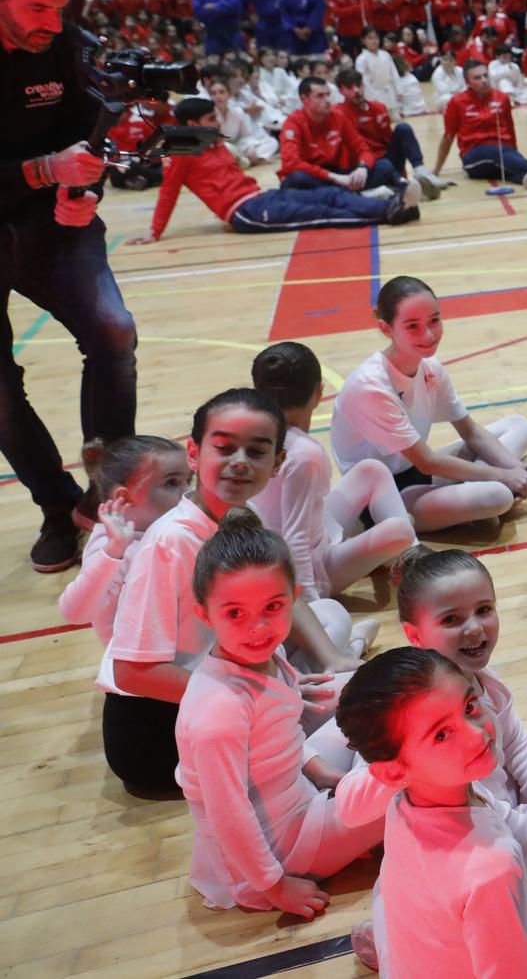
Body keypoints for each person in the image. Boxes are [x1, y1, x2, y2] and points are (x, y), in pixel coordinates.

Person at [0, 0, 138, 573]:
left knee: (113, 330)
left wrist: (85, 187)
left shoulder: (61, 47)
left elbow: (90, 134)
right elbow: (49, 162)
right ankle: (57, 509)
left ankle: (103, 495)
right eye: (37, 10)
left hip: (55, 222)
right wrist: (42, 172)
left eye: (60, 9)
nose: (53, 24)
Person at [174, 515, 384, 914]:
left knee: (377, 708)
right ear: (205, 614)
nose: (258, 627)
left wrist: (317, 766)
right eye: (235, 614)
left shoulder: (268, 655)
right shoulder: (218, 712)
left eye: (272, 606)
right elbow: (228, 815)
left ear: (294, 597)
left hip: (297, 799)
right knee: (411, 789)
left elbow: (279, 738)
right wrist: (276, 887)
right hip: (279, 852)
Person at [333, 647, 527, 977]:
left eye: (470, 707)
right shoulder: (492, 867)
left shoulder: (405, 802)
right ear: (392, 773)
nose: (476, 734)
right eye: (442, 734)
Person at [338, 547, 527, 841]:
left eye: (483, 610)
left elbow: (517, 742)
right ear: (414, 635)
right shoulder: (402, 705)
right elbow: (351, 808)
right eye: (452, 619)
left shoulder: (485, 680)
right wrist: (405, 761)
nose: (475, 627)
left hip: (515, 819)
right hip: (480, 845)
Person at [99, 389, 291, 797]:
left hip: (211, 698)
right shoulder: (171, 543)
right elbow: (130, 671)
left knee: (329, 631)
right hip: (157, 735)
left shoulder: (238, 519)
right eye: (224, 448)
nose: (239, 462)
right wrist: (259, 695)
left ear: (277, 463)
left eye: (256, 452)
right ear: (194, 453)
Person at [329, 276, 527, 534]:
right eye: (412, 326)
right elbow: (427, 461)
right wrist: (505, 476)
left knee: (518, 425)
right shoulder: (370, 385)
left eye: (434, 320)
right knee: (498, 496)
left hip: (419, 471)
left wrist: (517, 471)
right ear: (386, 329)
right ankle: (478, 497)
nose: (429, 334)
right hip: (384, 498)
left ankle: (473, 497)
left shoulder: (430, 367)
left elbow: (471, 432)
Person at [247, 340, 416, 663]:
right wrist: (311, 609)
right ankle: (415, 572)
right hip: (309, 568)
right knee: (401, 528)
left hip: (304, 539)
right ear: (319, 391)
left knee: (372, 471)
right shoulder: (305, 454)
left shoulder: (257, 430)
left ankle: (412, 562)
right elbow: (295, 538)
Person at [131, 99, 418, 242]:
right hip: (246, 213)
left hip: (260, 197)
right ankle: (388, 214)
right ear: (192, 124)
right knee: (319, 214)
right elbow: (168, 191)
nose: (217, 122)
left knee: (328, 194)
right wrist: (154, 232)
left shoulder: (214, 143)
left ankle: (394, 204)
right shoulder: (181, 153)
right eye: (210, 118)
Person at [58, 436, 190, 643]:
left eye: (188, 481)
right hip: (143, 665)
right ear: (124, 497)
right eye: (172, 483)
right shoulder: (111, 547)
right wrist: (113, 552)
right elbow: (74, 613)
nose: (188, 491)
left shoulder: (173, 526)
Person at [277, 76, 407, 197]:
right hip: (315, 176)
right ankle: (358, 195)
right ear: (304, 99)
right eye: (320, 96)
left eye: (328, 95)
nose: (327, 100)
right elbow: (292, 163)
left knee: (384, 165)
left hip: (339, 175)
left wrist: (363, 167)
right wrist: (332, 177)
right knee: (297, 178)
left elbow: (363, 149)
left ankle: (349, 196)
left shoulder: (338, 117)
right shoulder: (293, 123)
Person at [436, 60, 527, 187]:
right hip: (474, 156)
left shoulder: (502, 98)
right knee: (493, 153)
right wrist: (436, 170)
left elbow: (510, 129)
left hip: (503, 151)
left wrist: (515, 153)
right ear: (467, 83)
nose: (484, 80)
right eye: (477, 78)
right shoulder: (456, 102)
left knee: (503, 165)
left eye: (485, 75)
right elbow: (448, 137)